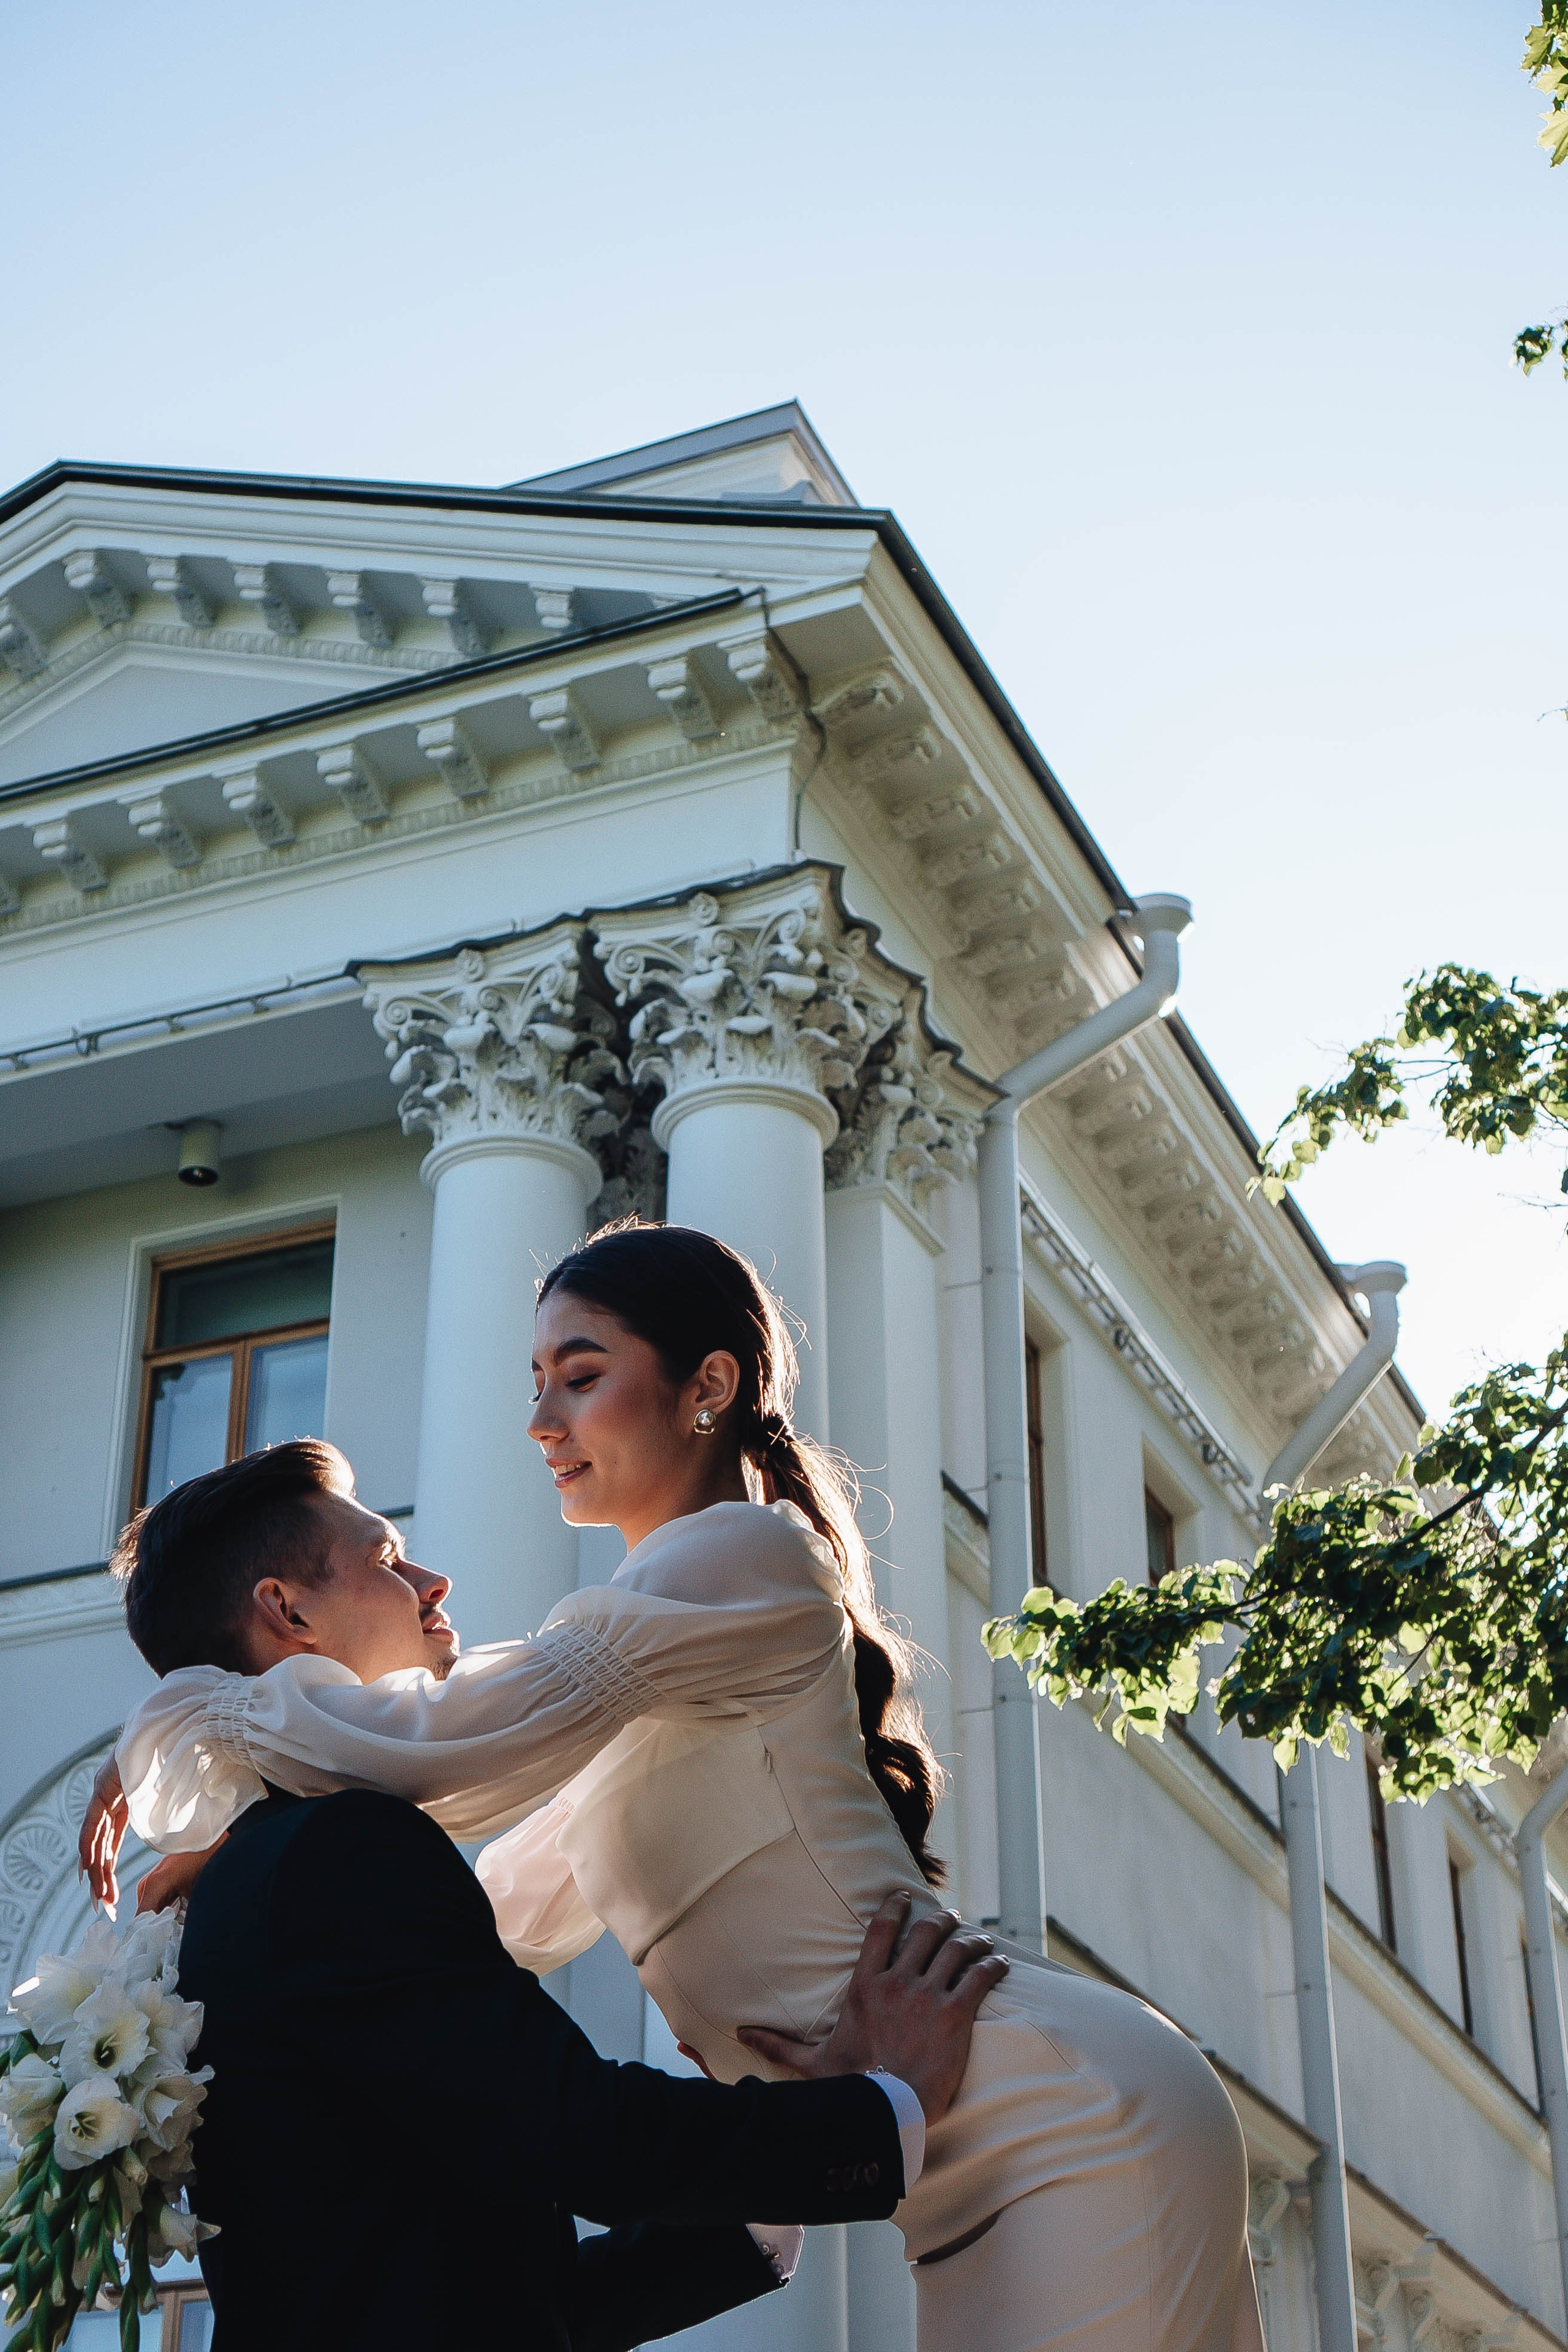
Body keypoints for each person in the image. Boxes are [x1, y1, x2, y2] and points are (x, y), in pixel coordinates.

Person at [87, 1224, 1264, 2352]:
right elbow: (456, 1927)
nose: (541, 1421)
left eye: (580, 1376)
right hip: (944, 2152)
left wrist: (194, 1718)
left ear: (709, 1384)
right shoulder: (632, 1680)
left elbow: (436, 1749)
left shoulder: (734, 1555)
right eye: (536, 1382)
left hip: (1054, 2115)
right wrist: (249, 1847)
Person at [94, 1443, 1005, 2352]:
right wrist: (884, 2105)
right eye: (384, 1560)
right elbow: (582, 2139)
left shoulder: (265, 1870)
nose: (432, 1578)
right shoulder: (341, 1847)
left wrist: (763, 2210)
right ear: (286, 1610)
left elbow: (472, 2289)